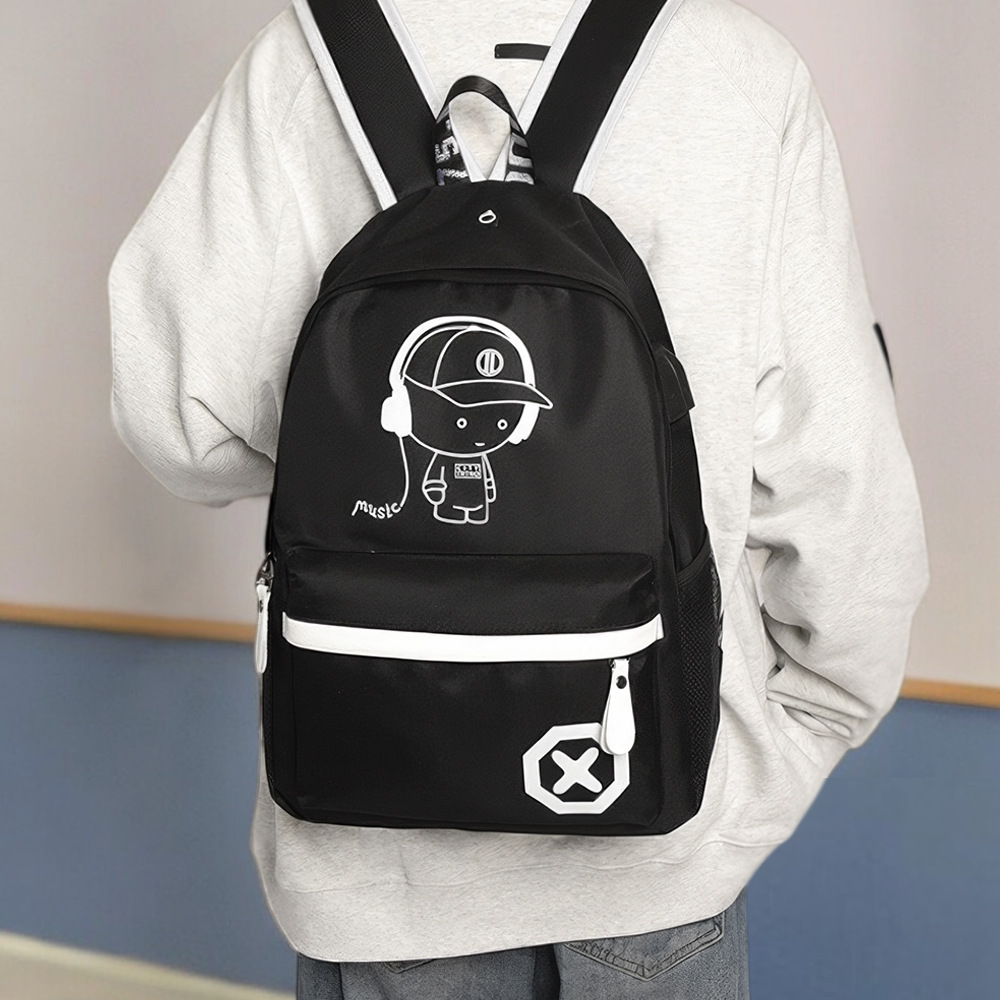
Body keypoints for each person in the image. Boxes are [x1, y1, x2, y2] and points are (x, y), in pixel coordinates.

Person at [109, 1, 929, 997]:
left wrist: (346, 457)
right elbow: (841, 492)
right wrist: (791, 740)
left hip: (376, 861)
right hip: (656, 845)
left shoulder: (305, 59)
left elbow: (176, 423)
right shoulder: (736, 70)